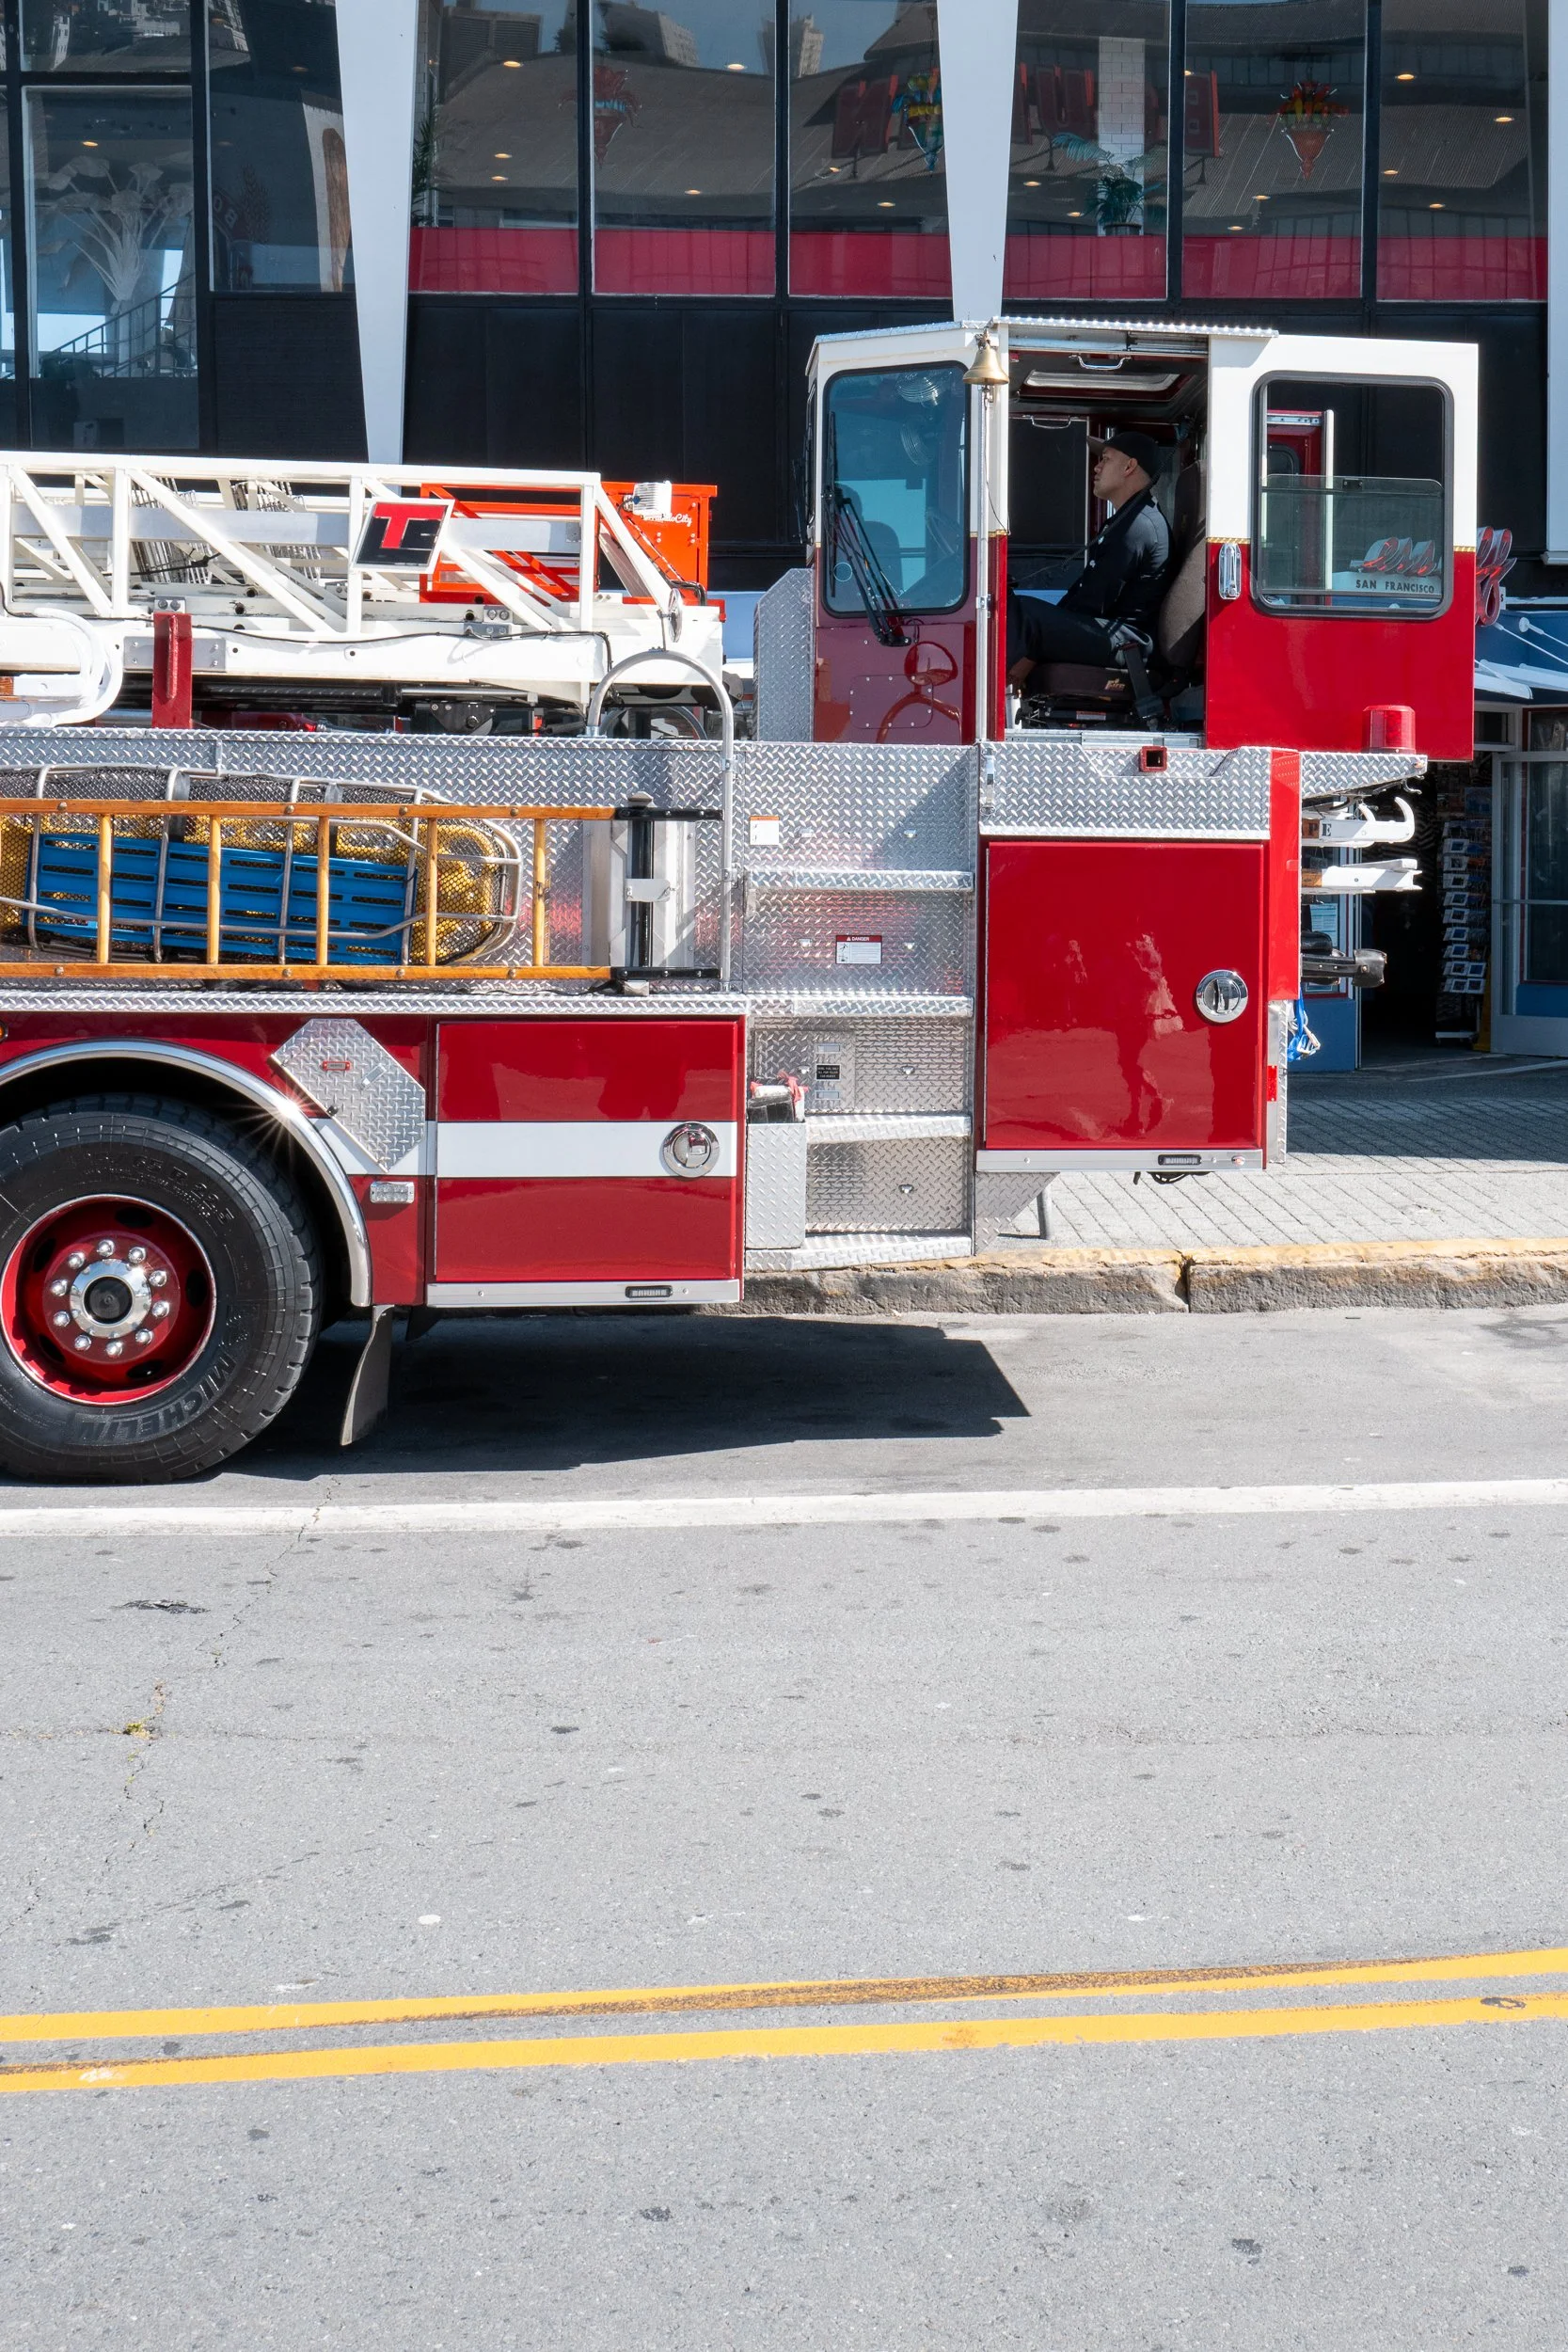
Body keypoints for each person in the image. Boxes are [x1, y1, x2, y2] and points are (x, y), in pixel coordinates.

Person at [1007, 430, 1171, 686]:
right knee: (1021, 609)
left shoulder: (1137, 526)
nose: (1097, 467)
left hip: (1128, 642)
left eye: (1106, 459)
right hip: (1113, 635)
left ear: (1129, 466)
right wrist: (1052, 624)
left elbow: (1094, 600)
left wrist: (1038, 646)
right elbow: (1083, 593)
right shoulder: (1129, 519)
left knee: (1025, 614)